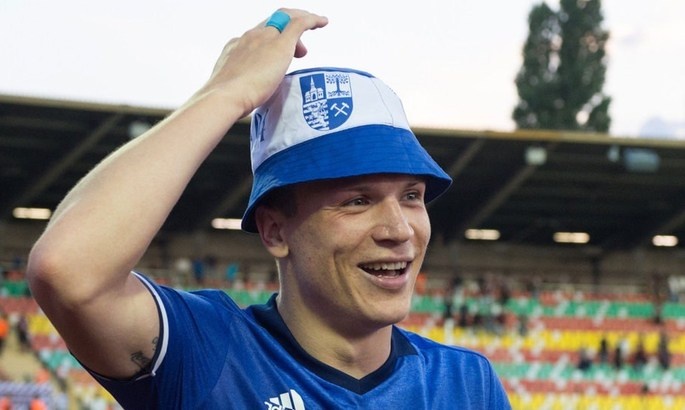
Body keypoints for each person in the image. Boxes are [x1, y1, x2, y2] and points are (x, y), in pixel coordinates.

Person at [26, 8, 511, 409]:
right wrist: (226, 92)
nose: (399, 229)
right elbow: (68, 273)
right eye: (358, 201)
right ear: (275, 231)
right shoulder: (208, 353)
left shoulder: (467, 384)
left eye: (411, 196)